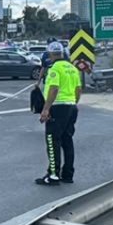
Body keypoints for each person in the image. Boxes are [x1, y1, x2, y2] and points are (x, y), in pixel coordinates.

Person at [36, 42, 82, 186]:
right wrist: (73, 103)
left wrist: (45, 109)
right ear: (62, 53)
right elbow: (78, 89)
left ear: (50, 54)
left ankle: (53, 175)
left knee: (52, 141)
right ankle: (68, 174)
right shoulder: (72, 68)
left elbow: (54, 89)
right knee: (67, 141)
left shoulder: (54, 69)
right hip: (71, 106)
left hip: (57, 107)